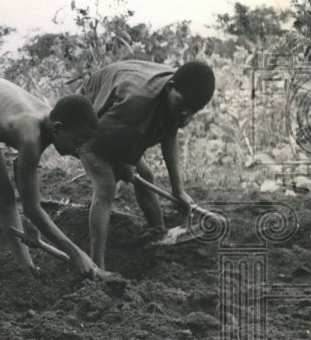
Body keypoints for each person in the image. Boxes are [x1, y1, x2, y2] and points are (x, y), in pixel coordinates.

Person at [0, 75, 105, 279]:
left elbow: (21, 172)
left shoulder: (48, 123)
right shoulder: (30, 134)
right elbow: (32, 208)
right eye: (76, 141)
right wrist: (75, 253)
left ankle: (26, 270)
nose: (77, 150)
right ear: (58, 128)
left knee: (5, 198)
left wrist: (31, 225)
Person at [78, 59, 216, 268]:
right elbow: (96, 139)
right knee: (106, 186)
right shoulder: (136, 101)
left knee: (146, 176)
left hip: (119, 122)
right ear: (170, 88)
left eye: (192, 112)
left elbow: (170, 135)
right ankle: (97, 268)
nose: (185, 116)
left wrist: (178, 190)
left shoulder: (181, 97)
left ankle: (158, 236)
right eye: (182, 107)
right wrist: (121, 164)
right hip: (85, 120)